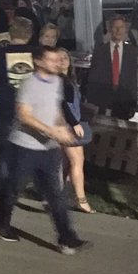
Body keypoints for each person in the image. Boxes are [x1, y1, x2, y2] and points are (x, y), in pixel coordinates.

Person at [0, 44, 88, 254]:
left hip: (49, 149)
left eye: (58, 60)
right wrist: (51, 131)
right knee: (13, 189)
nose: (57, 63)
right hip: (25, 146)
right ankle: (0, 222)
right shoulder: (29, 84)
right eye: (52, 60)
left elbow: (56, 109)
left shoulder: (57, 82)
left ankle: (66, 238)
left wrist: (62, 128)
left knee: (55, 195)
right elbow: (24, 115)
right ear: (39, 62)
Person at [0, 16, 35, 194]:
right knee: (27, 153)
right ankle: (19, 186)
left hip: (6, 111)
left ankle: (4, 194)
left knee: (4, 155)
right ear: (30, 34)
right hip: (33, 113)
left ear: (10, 33)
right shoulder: (38, 55)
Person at [57, 48, 95, 214]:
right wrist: (74, 123)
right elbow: (63, 104)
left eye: (66, 57)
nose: (63, 60)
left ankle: (55, 197)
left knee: (64, 163)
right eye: (59, 58)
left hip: (68, 124)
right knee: (77, 161)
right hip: (67, 126)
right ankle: (80, 199)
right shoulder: (60, 81)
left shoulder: (69, 80)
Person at [87, 16, 138, 119]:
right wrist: (92, 100)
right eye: (115, 27)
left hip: (124, 99)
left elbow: (133, 79)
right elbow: (94, 77)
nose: (118, 30)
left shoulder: (132, 51)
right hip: (104, 99)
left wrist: (133, 102)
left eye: (121, 27)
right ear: (110, 29)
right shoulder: (100, 51)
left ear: (125, 30)